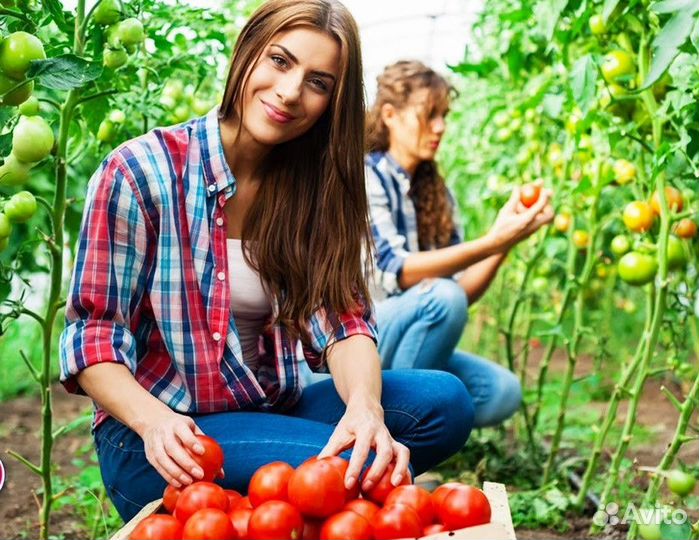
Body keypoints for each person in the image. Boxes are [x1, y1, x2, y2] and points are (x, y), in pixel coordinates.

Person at [59, 1, 473, 522]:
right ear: (248, 52)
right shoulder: (142, 172)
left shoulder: (313, 192)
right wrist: (153, 423)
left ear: (332, 103)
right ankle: (280, 496)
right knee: (354, 472)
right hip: (162, 437)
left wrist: (365, 409)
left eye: (318, 82)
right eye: (280, 60)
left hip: (262, 408)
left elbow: (342, 323)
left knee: (445, 402)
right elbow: (93, 338)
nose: (290, 91)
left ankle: (275, 497)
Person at [365, 60, 554, 428]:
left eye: (444, 116)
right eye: (429, 115)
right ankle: (398, 449)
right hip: (361, 340)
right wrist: (491, 241)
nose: (440, 127)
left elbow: (460, 295)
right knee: (442, 296)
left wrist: (506, 241)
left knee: (500, 390)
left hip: (408, 341)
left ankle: (399, 423)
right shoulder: (365, 176)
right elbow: (395, 270)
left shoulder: (438, 194)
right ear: (390, 115)